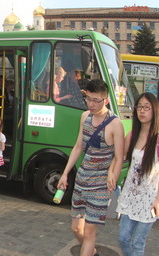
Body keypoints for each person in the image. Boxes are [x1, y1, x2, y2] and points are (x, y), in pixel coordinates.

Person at [57, 79, 124, 256]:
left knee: (89, 232)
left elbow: (120, 156)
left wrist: (112, 177)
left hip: (100, 185)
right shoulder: (85, 116)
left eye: (97, 100)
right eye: (89, 99)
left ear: (106, 101)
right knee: (75, 228)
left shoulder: (115, 124)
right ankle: (92, 252)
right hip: (81, 180)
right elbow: (78, 146)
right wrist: (65, 174)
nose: (92, 104)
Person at [116, 92, 159, 256]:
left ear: (154, 110)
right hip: (130, 196)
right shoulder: (133, 134)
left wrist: (158, 200)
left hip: (149, 199)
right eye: (139, 107)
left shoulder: (157, 139)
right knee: (123, 238)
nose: (142, 111)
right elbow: (119, 156)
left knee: (137, 243)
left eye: (146, 107)